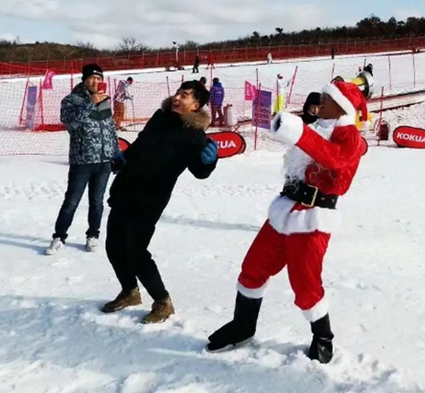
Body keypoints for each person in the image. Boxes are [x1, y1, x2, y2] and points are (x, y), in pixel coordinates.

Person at [207, 79, 368, 363]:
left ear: (341, 108)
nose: (321, 102)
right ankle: (243, 326)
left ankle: (323, 337)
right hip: (285, 209)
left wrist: (298, 133)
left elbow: (334, 159)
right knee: (253, 267)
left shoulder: (349, 137)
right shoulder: (319, 127)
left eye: (327, 100)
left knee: (305, 284)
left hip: (313, 218)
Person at [102, 81, 218, 324]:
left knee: (136, 252)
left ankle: (163, 302)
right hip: (125, 189)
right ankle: (130, 291)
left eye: (185, 96)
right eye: (178, 93)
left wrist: (209, 162)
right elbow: (141, 144)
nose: (177, 97)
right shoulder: (160, 117)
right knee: (113, 246)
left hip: (149, 199)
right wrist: (125, 157)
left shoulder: (195, 137)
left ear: (196, 105)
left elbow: (200, 172)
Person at [46, 64, 118, 255]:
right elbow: (71, 124)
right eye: (93, 78)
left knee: (97, 202)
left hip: (103, 162)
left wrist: (116, 155)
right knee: (71, 202)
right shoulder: (72, 100)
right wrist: (89, 104)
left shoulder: (104, 101)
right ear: (84, 79)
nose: (96, 81)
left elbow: (111, 130)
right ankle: (59, 237)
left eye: (99, 78)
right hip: (82, 162)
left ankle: (93, 235)